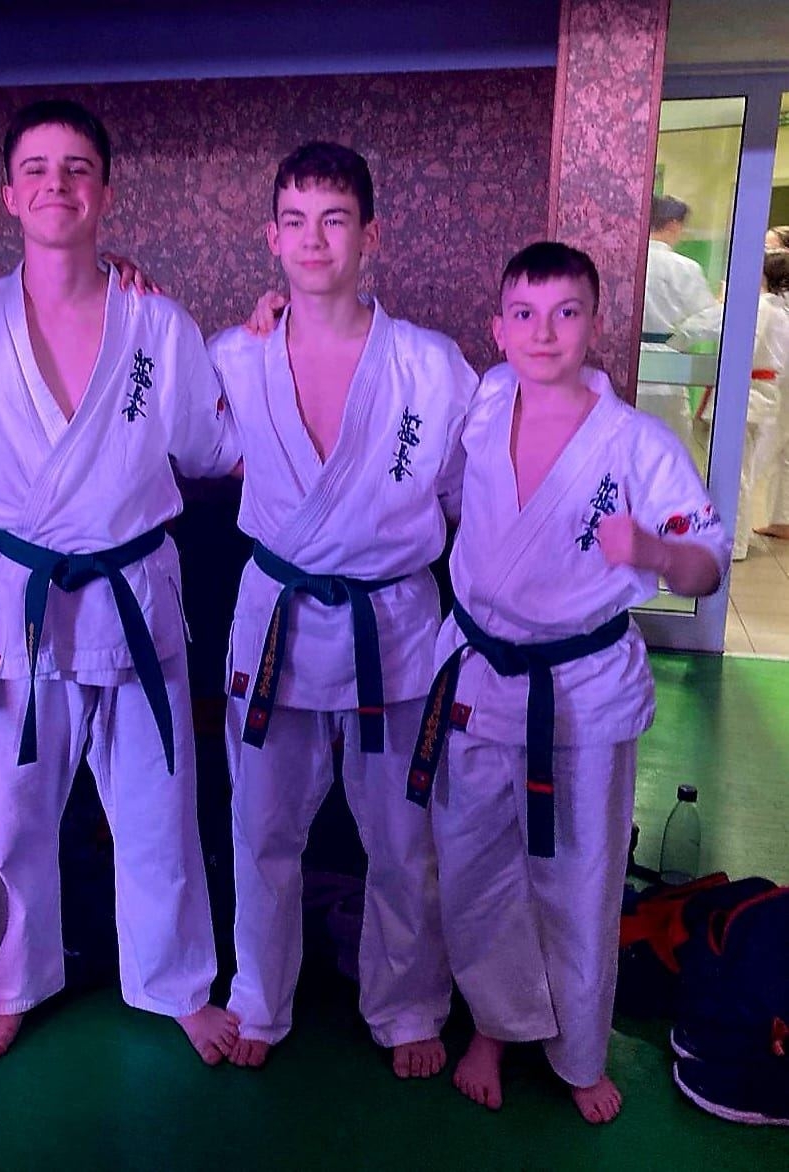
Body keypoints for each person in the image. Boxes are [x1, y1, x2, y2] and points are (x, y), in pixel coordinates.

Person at [0, 100, 241, 1065]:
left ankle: (175, 983)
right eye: (36, 168)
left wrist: (269, 345)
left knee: (157, 804)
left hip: (135, 591)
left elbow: (216, 448)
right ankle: (12, 984)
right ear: (7, 194)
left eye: (76, 168)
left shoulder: (159, 322)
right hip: (22, 595)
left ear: (105, 191)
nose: (56, 185)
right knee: (19, 810)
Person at [406, 242, 728, 1123]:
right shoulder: (482, 402)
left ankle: (579, 1051)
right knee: (474, 865)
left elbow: (706, 563)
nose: (543, 333)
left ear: (596, 324)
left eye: (566, 313)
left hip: (581, 691)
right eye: (525, 314)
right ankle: (495, 1026)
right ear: (498, 328)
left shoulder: (636, 443)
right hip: (479, 675)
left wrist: (654, 550)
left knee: (580, 876)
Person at [206, 142, 472, 1074]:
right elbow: (185, 443)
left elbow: (468, 496)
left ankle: (407, 1005)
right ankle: (258, 999)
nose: (314, 240)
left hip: (390, 626)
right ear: (271, 237)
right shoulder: (233, 358)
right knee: (260, 828)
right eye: (295, 221)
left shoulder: (432, 368)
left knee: (404, 835)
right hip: (276, 619)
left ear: (371, 236)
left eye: (334, 220)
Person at [672, 248, 789, 559]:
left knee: (734, 472)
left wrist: (724, 308)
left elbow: (744, 345)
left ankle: (731, 541)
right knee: (738, 470)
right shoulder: (777, 309)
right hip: (758, 393)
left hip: (747, 394)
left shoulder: (762, 307)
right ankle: (729, 537)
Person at [640, 195, 717, 448]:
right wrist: (677, 340)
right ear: (673, 225)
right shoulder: (684, 267)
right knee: (669, 446)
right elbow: (709, 320)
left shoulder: (626, 261)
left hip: (624, 365)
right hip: (667, 371)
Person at [751, 249, 789, 541]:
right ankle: (783, 519)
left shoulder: (766, 307)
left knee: (757, 453)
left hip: (770, 384)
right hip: (777, 382)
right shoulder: (779, 308)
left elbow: (752, 346)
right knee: (781, 452)